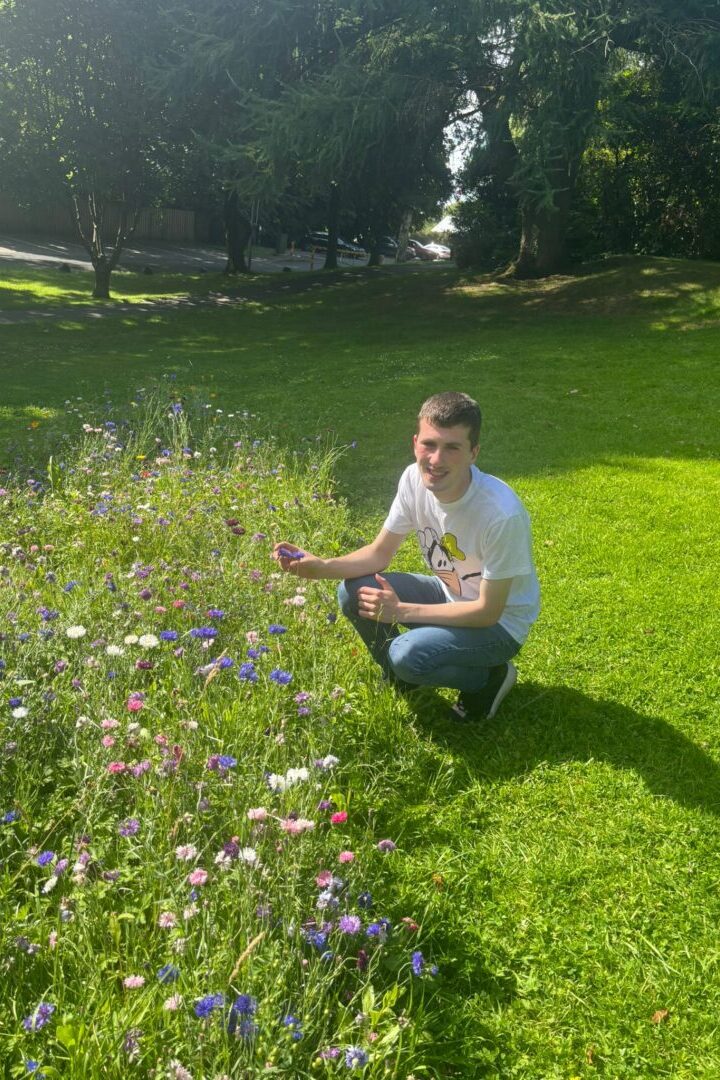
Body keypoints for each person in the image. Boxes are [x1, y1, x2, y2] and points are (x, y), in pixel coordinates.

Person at [273, 392, 540, 720]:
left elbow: (487, 612)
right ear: (415, 443)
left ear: (474, 453)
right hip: (450, 594)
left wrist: (400, 610)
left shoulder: (501, 514)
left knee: (406, 654)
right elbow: (379, 554)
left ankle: (487, 678)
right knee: (352, 591)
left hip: (499, 627)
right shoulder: (413, 479)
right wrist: (319, 567)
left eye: (452, 447)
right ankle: (406, 677)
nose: (436, 460)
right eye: (429, 444)